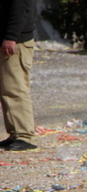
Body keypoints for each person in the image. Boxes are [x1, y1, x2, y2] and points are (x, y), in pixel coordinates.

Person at [0, 0, 37, 151]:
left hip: (16, 42)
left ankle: (25, 136)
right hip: (7, 40)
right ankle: (15, 133)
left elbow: (21, 7)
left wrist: (11, 37)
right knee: (7, 89)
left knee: (15, 88)